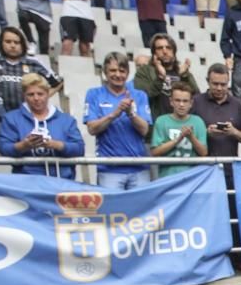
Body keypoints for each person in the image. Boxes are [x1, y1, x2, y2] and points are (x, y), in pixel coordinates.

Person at [0, 27, 63, 152]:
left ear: (23, 45)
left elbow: (58, 82)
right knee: (1, 156)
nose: (12, 45)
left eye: (16, 42)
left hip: (27, 120)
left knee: (29, 153)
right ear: (1, 43)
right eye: (8, 42)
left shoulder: (33, 63)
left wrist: (43, 96)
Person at [84, 52, 153, 189]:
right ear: (105, 72)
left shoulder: (139, 95)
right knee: (112, 210)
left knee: (142, 210)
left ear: (127, 73)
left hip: (139, 167)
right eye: (113, 70)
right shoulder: (94, 94)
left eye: (122, 71)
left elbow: (145, 130)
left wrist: (131, 114)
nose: (118, 75)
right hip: (109, 170)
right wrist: (114, 114)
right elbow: (92, 129)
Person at [0, 73, 83, 179]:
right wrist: (24, 145)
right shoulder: (11, 118)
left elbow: (79, 149)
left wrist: (56, 145)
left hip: (63, 181)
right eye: (31, 94)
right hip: (26, 182)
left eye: (40, 94)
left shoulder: (66, 120)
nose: (36, 98)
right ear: (24, 95)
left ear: (48, 94)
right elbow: (3, 148)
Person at [133, 33, 199, 122]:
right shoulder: (145, 72)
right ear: (154, 53)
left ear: (174, 52)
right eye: (160, 48)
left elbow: (197, 99)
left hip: (181, 126)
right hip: (156, 126)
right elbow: (141, 98)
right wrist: (160, 78)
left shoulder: (182, 72)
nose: (165, 51)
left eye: (168, 48)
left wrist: (184, 76)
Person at [150, 81, 208, 177]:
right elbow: (155, 152)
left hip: (192, 177)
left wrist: (191, 137)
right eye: (177, 100)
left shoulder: (198, 122)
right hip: (167, 176)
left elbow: (204, 152)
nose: (181, 104)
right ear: (171, 101)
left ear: (191, 103)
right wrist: (178, 139)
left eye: (185, 101)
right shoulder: (161, 121)